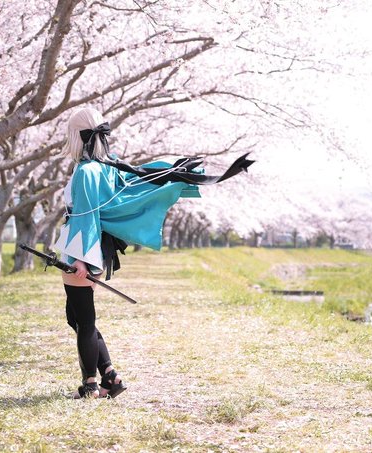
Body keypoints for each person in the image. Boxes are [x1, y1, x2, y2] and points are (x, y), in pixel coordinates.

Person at [55, 107, 253, 399]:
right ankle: (110, 377)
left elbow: (86, 217)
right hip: (93, 246)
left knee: (83, 320)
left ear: (77, 136)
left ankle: (90, 386)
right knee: (76, 316)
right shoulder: (108, 166)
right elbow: (130, 188)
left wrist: (82, 260)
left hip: (81, 249)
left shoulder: (86, 171)